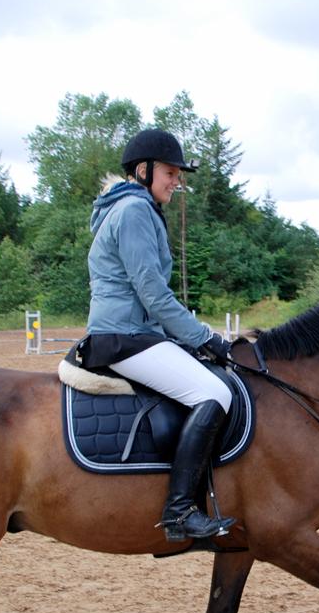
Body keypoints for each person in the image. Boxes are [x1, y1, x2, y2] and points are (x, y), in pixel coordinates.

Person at [81, 129, 235, 541]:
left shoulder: (136, 208)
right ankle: (180, 511)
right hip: (124, 337)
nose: (175, 182)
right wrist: (205, 337)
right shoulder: (133, 211)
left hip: (133, 332)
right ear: (144, 170)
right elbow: (152, 292)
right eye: (170, 173)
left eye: (177, 175)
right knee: (215, 393)